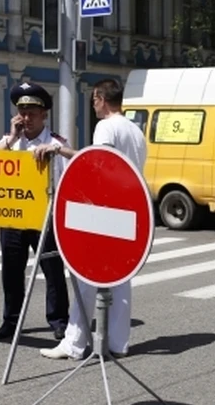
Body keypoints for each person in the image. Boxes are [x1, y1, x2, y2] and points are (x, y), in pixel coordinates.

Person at [36, 78, 147, 361]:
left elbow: (100, 164)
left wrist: (59, 150)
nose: (92, 104)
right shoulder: (136, 130)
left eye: (93, 99)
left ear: (100, 98)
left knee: (86, 277)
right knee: (120, 280)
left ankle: (73, 344)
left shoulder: (106, 127)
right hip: (130, 210)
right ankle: (118, 343)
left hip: (105, 211)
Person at [0, 82, 70, 341]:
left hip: (43, 218)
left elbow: (66, 182)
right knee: (11, 273)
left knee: (52, 271)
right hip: (12, 217)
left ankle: (59, 320)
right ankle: (11, 321)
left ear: (44, 115)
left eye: (32, 113)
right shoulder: (9, 142)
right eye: (22, 113)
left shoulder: (56, 143)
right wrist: (11, 139)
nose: (26, 119)